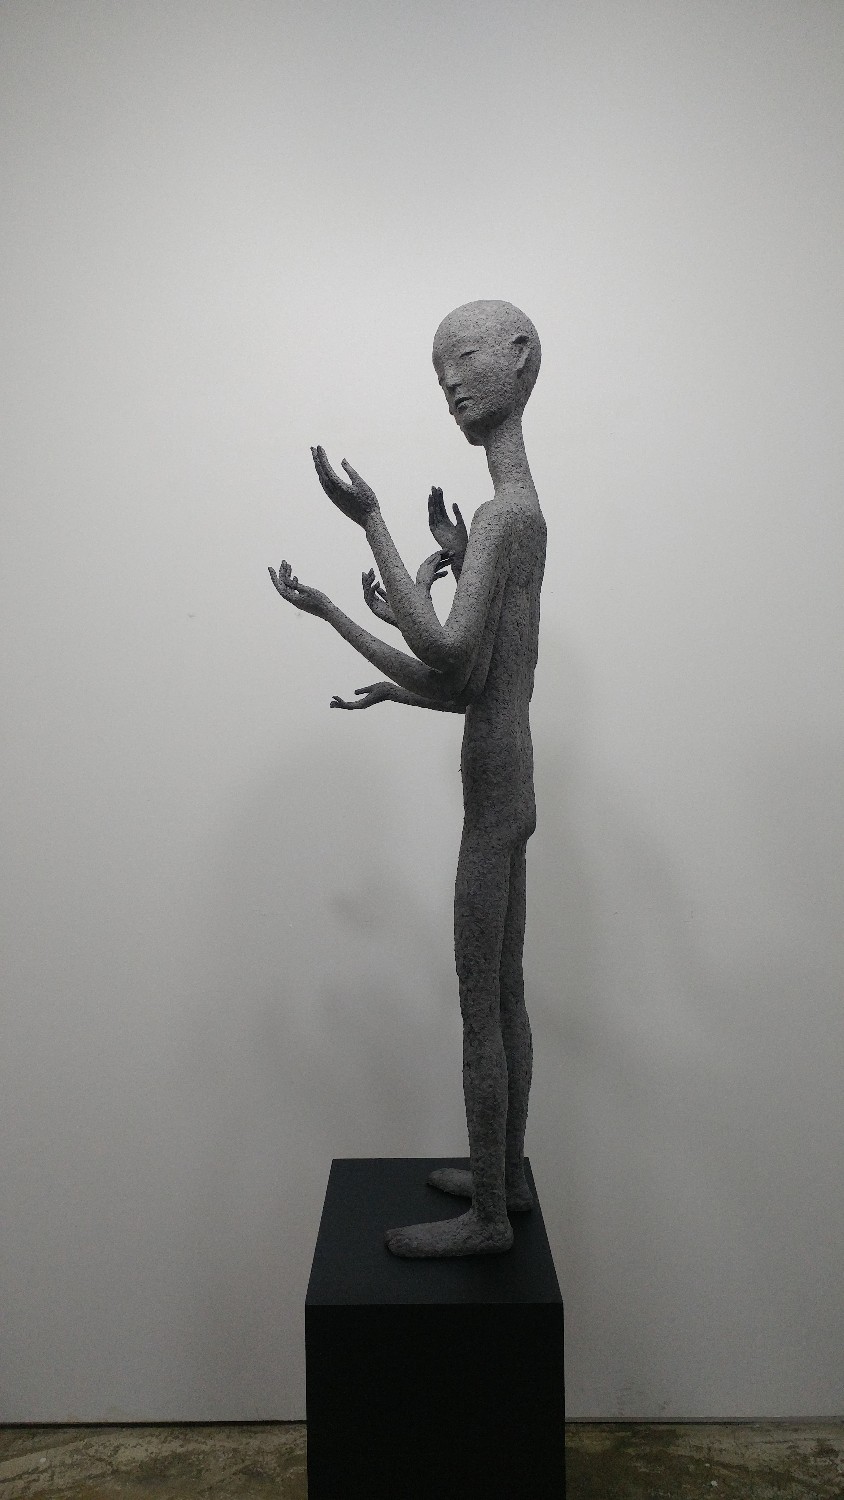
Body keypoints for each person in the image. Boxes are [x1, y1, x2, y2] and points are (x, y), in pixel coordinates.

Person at [269, 300, 545, 1256]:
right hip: (511, 785)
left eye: (464, 356)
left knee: (481, 1005)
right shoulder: (517, 516)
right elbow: (469, 684)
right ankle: (504, 1174)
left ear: (520, 358)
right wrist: (339, 618)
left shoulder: (505, 517)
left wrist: (375, 524)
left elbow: (447, 648)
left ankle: (489, 1218)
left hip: (494, 806)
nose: (451, 381)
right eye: (439, 371)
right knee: (505, 993)